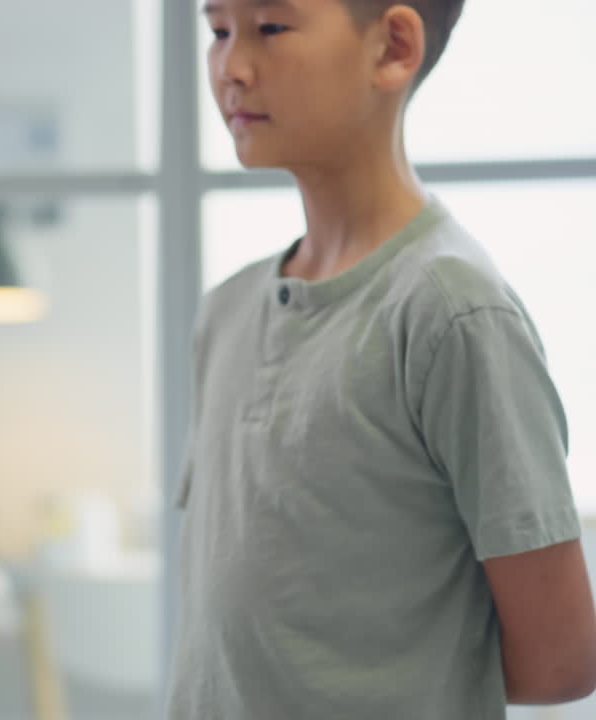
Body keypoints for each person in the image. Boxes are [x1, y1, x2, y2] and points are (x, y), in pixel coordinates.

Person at [170, 1, 596, 717]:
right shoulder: (227, 310)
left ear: (394, 46)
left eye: (271, 28)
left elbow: (562, 660)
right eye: (218, 32)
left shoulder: (453, 313)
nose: (232, 68)